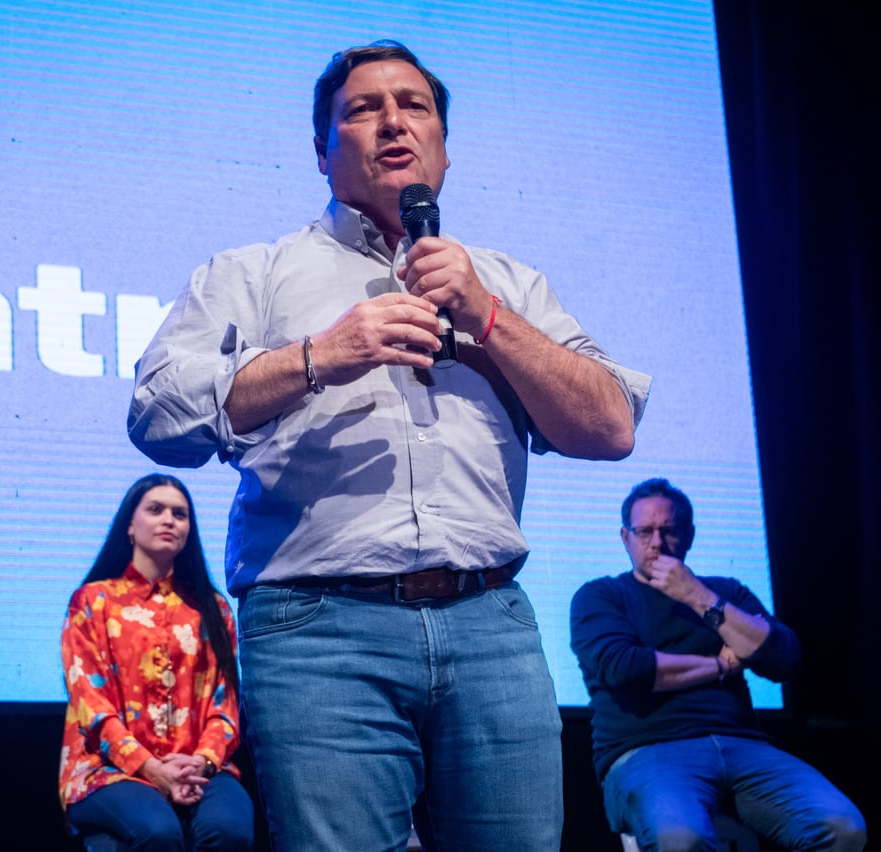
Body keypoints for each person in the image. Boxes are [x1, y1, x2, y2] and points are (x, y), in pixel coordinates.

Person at [128, 39, 651, 851]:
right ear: (322, 147)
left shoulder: (504, 282)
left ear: (444, 144)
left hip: (491, 623)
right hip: (318, 628)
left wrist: (487, 319)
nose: (393, 123)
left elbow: (611, 426)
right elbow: (157, 415)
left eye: (414, 106)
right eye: (362, 110)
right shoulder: (253, 272)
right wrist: (317, 357)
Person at [569, 477, 866, 851]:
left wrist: (697, 595)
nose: (657, 543)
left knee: (842, 827)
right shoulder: (602, 596)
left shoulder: (726, 592)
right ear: (625, 538)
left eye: (669, 530)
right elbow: (626, 670)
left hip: (744, 745)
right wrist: (722, 666)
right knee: (681, 839)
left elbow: (784, 657)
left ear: (689, 535)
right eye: (644, 531)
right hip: (649, 749)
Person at [58, 474, 253, 851]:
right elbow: (90, 705)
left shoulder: (211, 610)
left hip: (199, 768)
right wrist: (151, 768)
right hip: (109, 769)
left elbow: (225, 706)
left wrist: (201, 762)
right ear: (130, 526)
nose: (169, 520)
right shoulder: (92, 601)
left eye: (180, 514)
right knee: (158, 832)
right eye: (155, 509)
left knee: (229, 829)